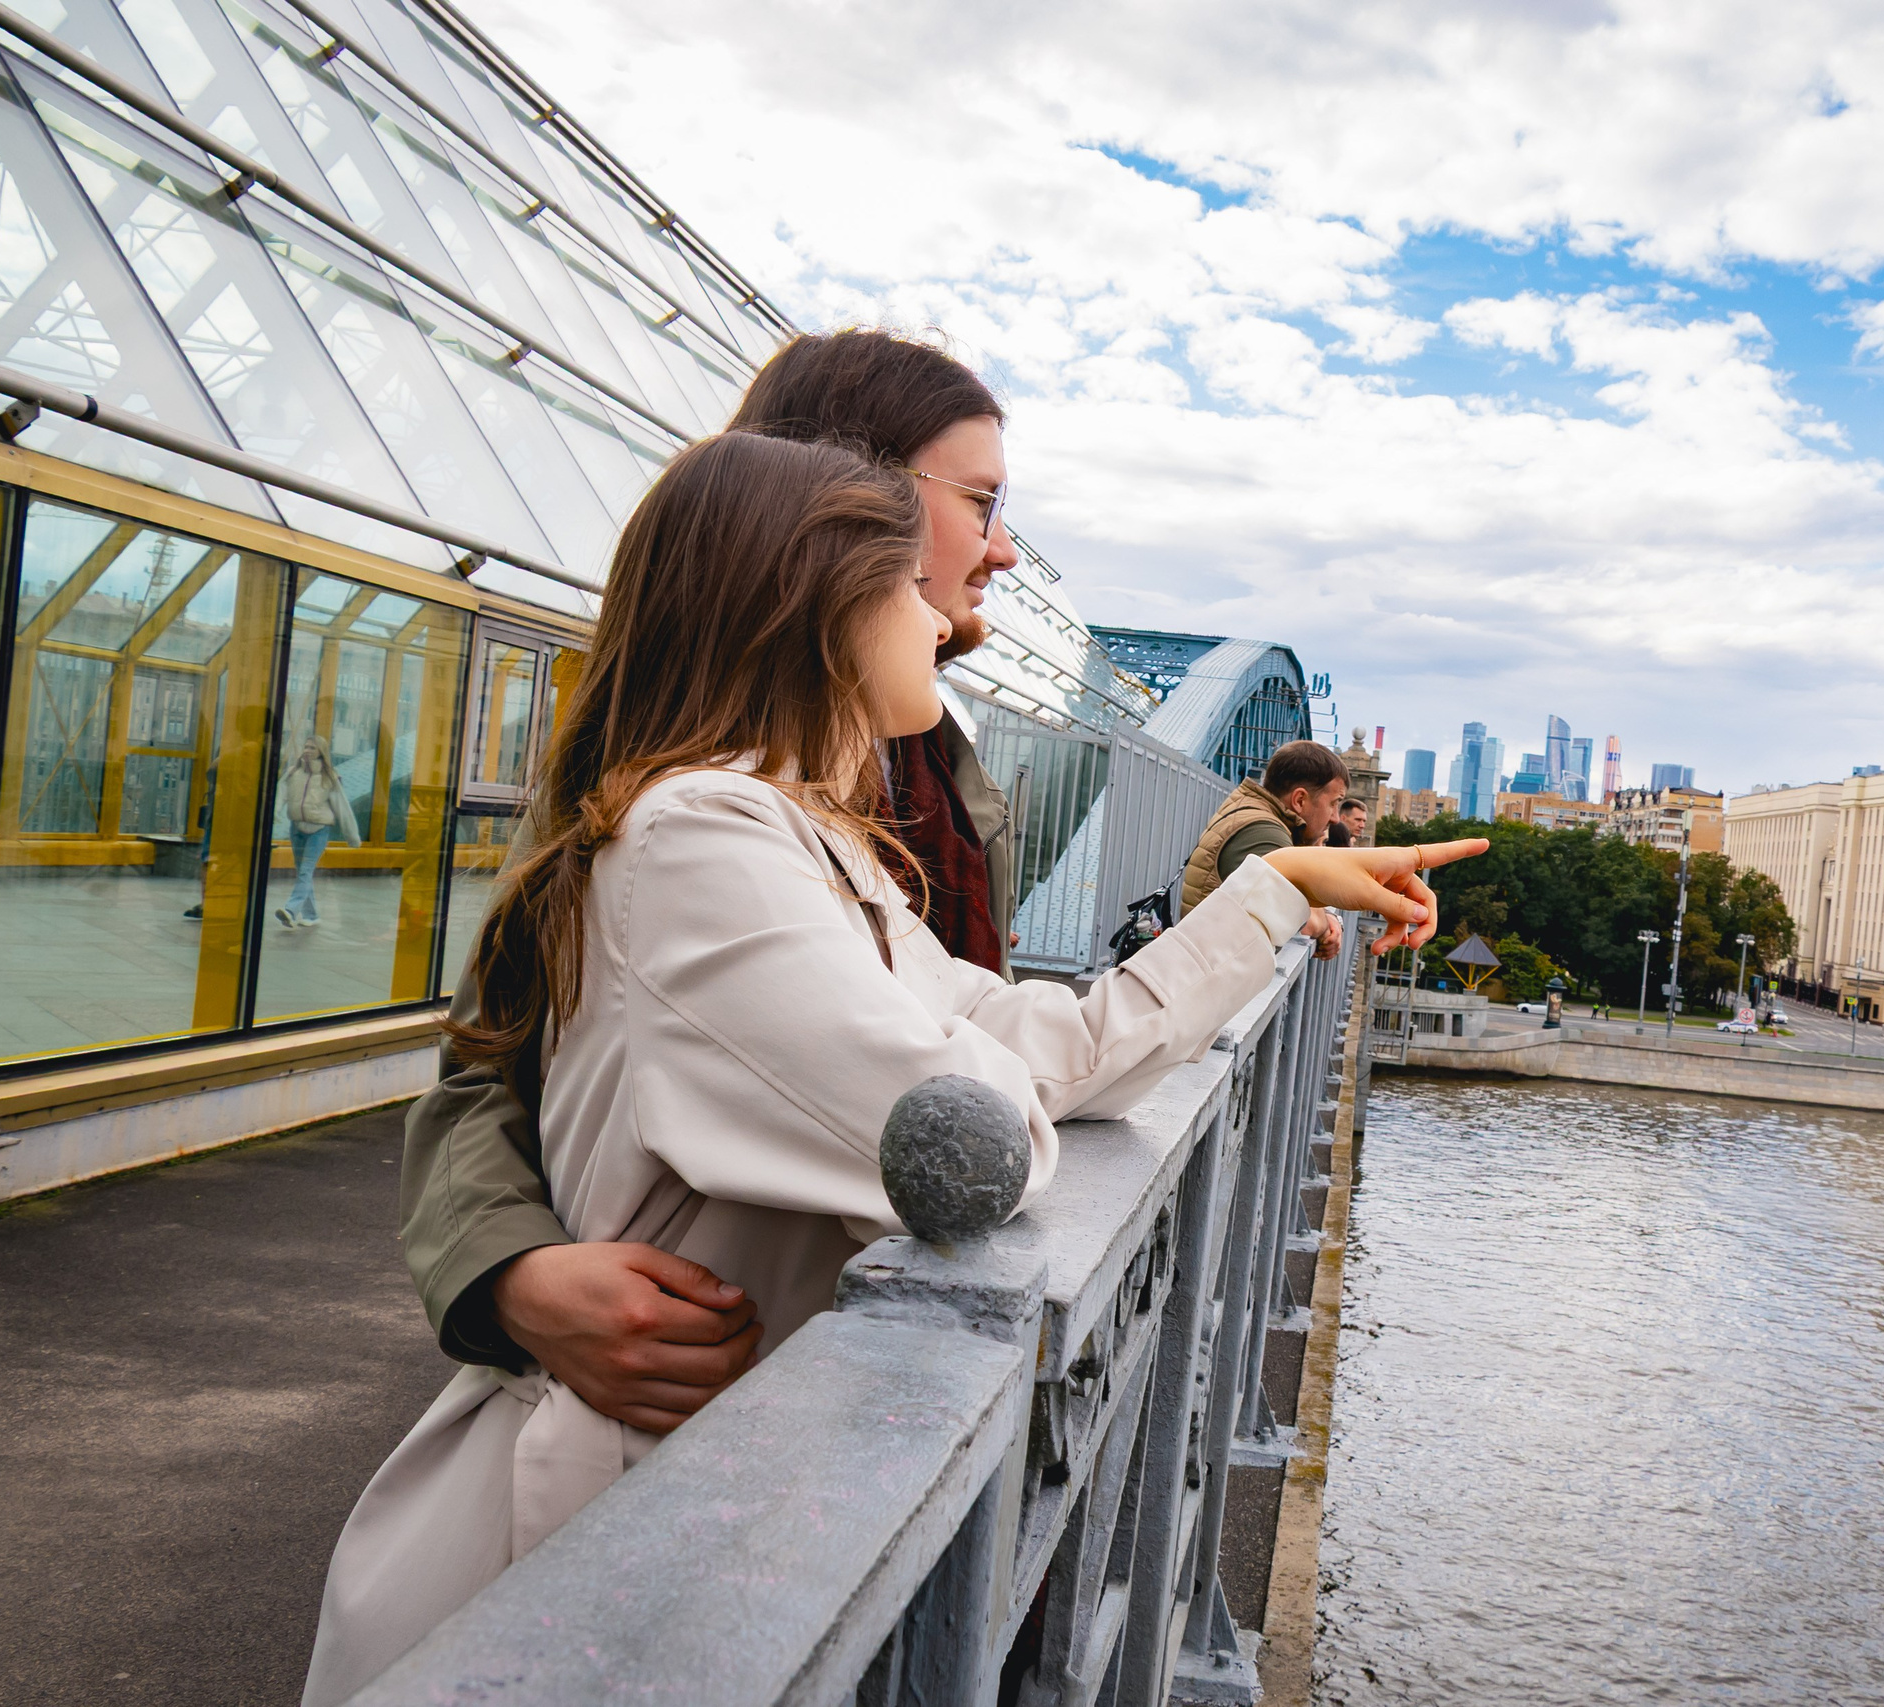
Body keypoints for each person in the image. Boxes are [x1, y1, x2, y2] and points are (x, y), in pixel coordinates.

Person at [301, 432, 1481, 1703]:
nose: (941, 611)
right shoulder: (703, 840)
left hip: (691, 1509)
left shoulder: (801, 842)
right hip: (581, 1559)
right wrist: (996, 1077)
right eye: (907, 582)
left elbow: (1051, 1049)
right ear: (815, 605)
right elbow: (975, 1132)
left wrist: (1272, 892)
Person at [398, 331, 1025, 1430]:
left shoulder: (924, 742)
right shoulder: (678, 778)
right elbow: (488, 1057)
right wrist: (511, 1274)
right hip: (717, 1369)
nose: (1004, 549)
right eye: (980, 500)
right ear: (852, 495)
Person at [1181, 740, 1348, 955]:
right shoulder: (1266, 834)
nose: (1335, 818)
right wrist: (1326, 923)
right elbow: (1304, 923)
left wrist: (1329, 917)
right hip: (1209, 974)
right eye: (1334, 803)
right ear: (1299, 800)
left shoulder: (1253, 812)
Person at [276, 736, 358, 930]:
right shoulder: (293, 772)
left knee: (305, 870)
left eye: (312, 747)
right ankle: (311, 915)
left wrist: (352, 837)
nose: (307, 750)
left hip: (319, 830)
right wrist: (274, 814)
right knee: (303, 872)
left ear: (321, 752)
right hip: (296, 828)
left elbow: (342, 807)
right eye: (305, 746)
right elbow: (280, 795)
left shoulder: (330, 777)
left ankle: (291, 910)